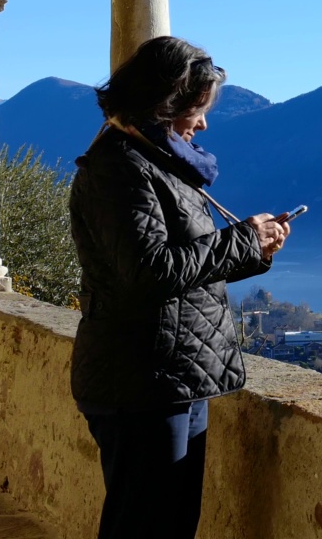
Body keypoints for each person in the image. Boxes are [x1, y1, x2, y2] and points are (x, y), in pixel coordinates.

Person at [69, 36, 289, 538]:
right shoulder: (119, 170)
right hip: (140, 379)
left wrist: (255, 249)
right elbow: (150, 273)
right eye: (196, 109)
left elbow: (184, 269)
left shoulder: (158, 166)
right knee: (144, 525)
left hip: (174, 375)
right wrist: (242, 240)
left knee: (170, 523)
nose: (203, 124)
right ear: (162, 106)